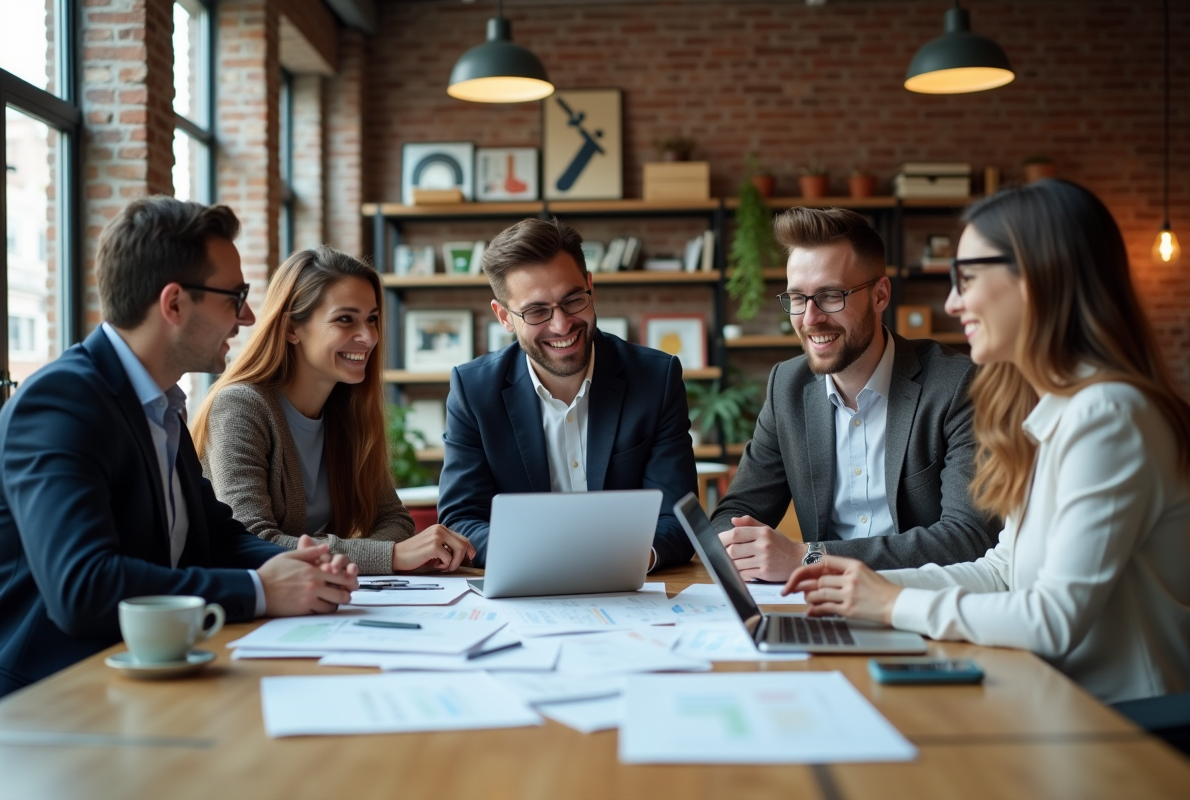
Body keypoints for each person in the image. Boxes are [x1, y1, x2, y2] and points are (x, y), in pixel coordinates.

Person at [785, 180, 1190, 704]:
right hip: (1052, 701)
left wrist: (890, 604)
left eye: (967, 278)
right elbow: (1002, 571)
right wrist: (863, 586)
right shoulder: (1055, 410)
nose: (953, 303)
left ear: (1037, 279)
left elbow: (1052, 617)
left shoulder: (1109, 415)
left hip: (1121, 730)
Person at [0, 197, 359, 702]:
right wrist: (259, 590)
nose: (249, 316)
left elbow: (216, 537)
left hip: (147, 674)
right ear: (174, 304)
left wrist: (296, 559)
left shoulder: (161, 404)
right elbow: (83, 587)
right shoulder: (61, 404)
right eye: (235, 296)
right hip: (49, 698)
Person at [712, 207, 998, 580]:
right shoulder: (787, 386)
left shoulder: (957, 386)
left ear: (880, 295)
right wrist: (738, 544)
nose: (811, 319)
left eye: (830, 295)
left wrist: (809, 557)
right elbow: (732, 513)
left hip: (917, 604)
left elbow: (969, 537)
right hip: (822, 608)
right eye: (798, 298)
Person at [191, 246, 474, 574]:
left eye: (372, 319)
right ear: (291, 329)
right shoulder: (241, 407)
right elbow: (251, 541)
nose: (368, 337)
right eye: (345, 320)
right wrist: (390, 556)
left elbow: (393, 520)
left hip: (310, 598)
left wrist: (388, 552)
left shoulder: (348, 411)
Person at [438, 217, 698, 569]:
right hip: (523, 586)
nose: (561, 325)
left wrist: (624, 558)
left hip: (630, 586)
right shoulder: (473, 391)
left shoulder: (656, 378)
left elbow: (679, 516)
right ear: (504, 316)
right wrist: (551, 558)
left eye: (573, 300)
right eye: (536, 311)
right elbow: (461, 519)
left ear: (590, 286)